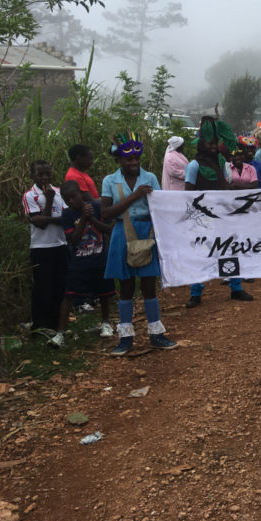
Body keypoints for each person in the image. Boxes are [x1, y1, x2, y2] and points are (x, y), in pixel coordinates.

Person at [100, 132, 177, 355]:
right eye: (128, 159)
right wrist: (134, 197)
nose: (133, 163)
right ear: (119, 160)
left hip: (147, 232)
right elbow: (105, 213)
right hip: (121, 233)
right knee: (125, 287)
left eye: (136, 159)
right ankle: (125, 338)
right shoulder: (109, 181)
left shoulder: (150, 178)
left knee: (148, 286)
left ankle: (156, 334)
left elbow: (161, 207)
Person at [185, 119, 254, 307]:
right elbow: (188, 192)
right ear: (201, 144)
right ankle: (196, 292)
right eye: (210, 143)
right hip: (203, 218)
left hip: (223, 216)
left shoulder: (222, 162)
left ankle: (236, 287)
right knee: (201, 253)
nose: (214, 147)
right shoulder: (194, 166)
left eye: (215, 143)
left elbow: (225, 184)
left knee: (230, 249)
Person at [53, 180, 115, 347]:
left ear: (81, 193)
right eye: (67, 199)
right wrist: (83, 219)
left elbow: (108, 230)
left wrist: (91, 218)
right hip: (78, 263)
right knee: (69, 295)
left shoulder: (95, 207)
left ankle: (106, 323)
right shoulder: (67, 215)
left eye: (74, 196)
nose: (71, 201)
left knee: (104, 294)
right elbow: (73, 239)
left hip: (99, 259)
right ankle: (60, 333)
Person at [23, 160, 68, 335]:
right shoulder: (30, 195)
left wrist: (47, 218)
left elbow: (66, 218)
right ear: (32, 175)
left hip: (60, 244)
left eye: (47, 173)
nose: (45, 177)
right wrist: (48, 201)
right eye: (40, 174)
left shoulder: (59, 192)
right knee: (43, 286)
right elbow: (38, 223)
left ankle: (58, 323)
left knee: (60, 284)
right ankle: (41, 324)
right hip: (41, 247)